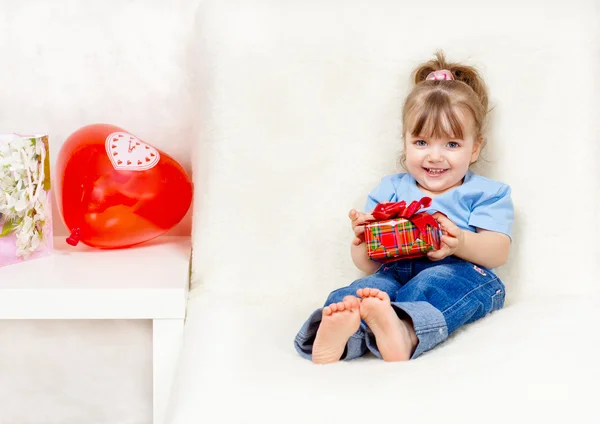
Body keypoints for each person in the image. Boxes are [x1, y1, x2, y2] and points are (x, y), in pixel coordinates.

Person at [294, 51, 514, 364]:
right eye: (422, 143)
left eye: (451, 144)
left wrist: (462, 242)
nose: (434, 157)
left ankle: (407, 331)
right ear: (405, 142)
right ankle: (338, 337)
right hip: (394, 272)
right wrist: (362, 240)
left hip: (463, 273)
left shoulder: (486, 192)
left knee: (433, 285)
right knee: (367, 289)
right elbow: (367, 265)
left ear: (475, 147)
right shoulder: (391, 189)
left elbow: (498, 252)